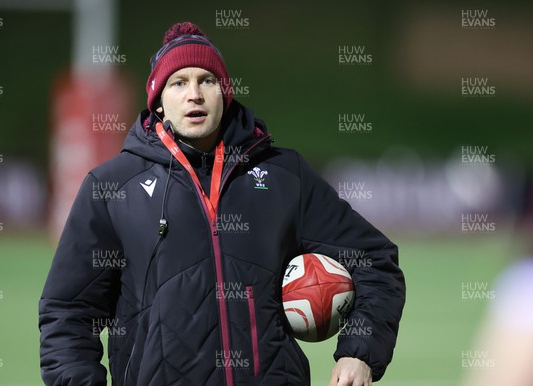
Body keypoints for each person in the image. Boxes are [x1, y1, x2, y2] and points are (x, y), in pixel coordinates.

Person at [39, 22, 405, 386]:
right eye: (179, 82)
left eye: (207, 81)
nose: (194, 94)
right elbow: (69, 311)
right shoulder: (112, 187)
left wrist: (360, 351)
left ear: (225, 93)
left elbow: (375, 261)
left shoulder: (282, 175)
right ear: (158, 101)